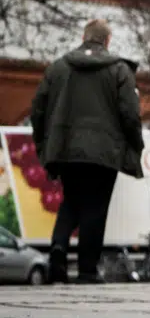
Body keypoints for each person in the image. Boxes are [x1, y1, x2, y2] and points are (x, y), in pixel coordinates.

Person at [29, 19, 143, 283]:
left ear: (84, 37)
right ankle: (87, 270)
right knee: (95, 207)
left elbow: (37, 109)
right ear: (107, 41)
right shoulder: (119, 70)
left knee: (71, 200)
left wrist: (45, 144)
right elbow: (130, 114)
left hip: (66, 149)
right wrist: (135, 145)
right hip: (105, 152)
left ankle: (58, 248)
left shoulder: (58, 67)